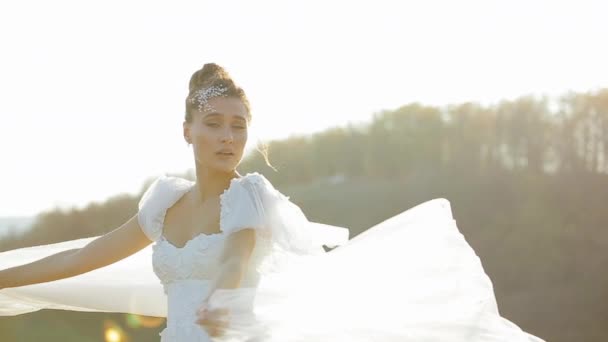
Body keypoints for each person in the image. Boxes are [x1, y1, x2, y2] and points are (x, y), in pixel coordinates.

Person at [0, 63, 545, 341]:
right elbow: (86, 255)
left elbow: (236, 257)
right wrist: (6, 279)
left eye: (238, 126)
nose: (227, 137)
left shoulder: (249, 198)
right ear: (186, 131)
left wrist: (220, 298)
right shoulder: (164, 202)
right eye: (212, 124)